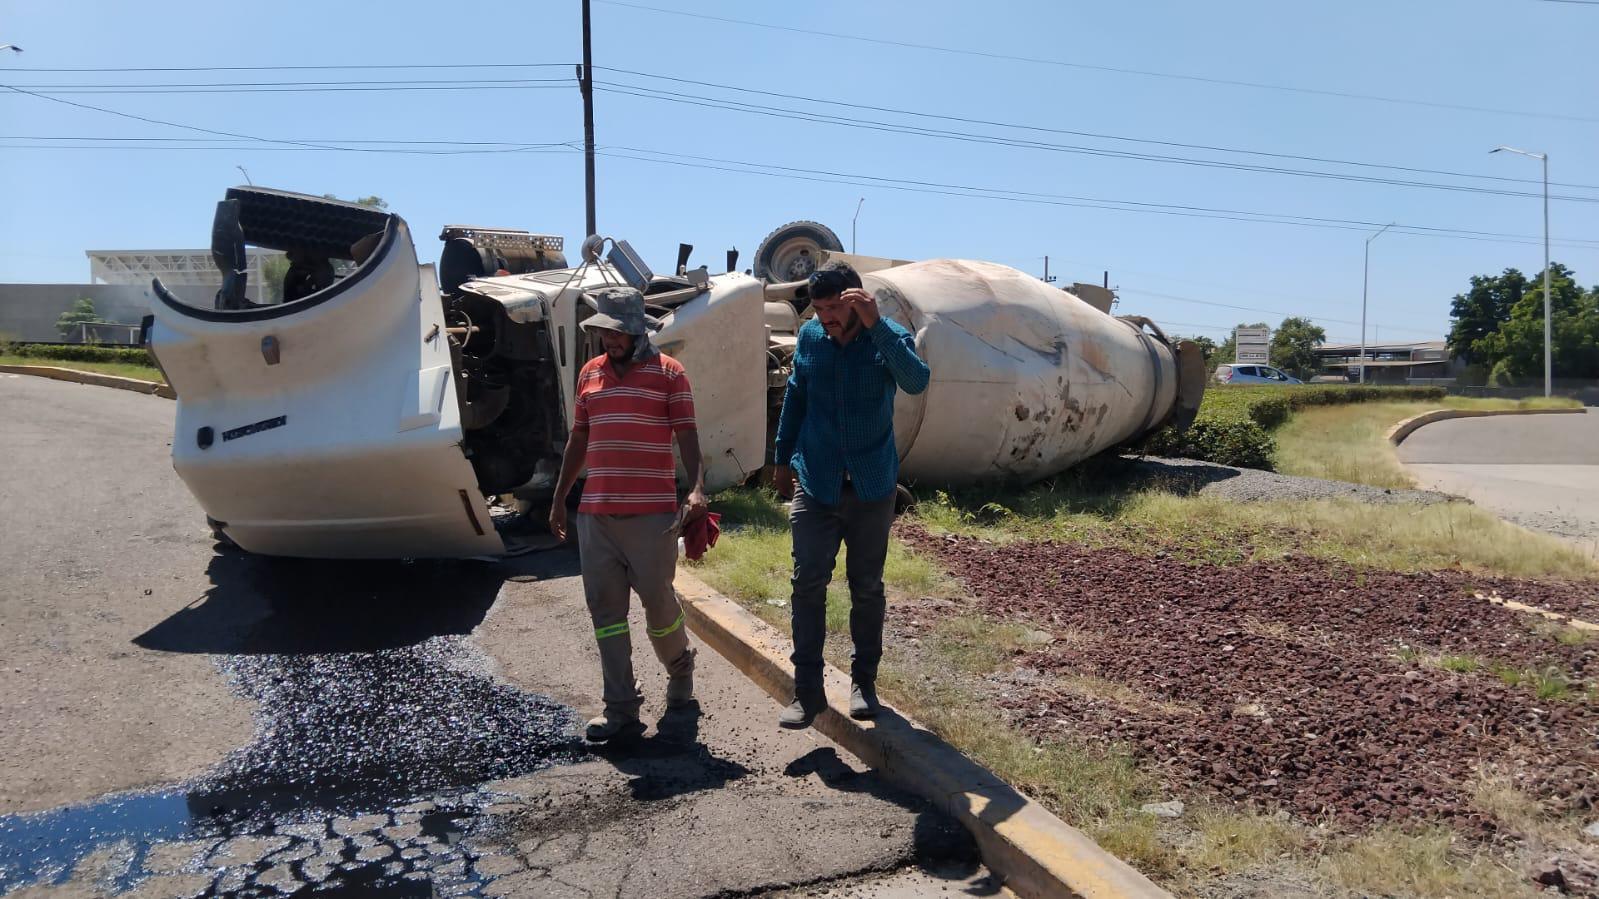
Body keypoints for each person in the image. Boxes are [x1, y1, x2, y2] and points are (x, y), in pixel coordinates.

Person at [771, 261, 930, 728]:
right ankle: (807, 692)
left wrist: (877, 325)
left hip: (871, 486)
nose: (825, 318)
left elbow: (916, 381)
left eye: (833, 309)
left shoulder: (889, 336)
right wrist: (781, 458)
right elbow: (797, 396)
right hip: (816, 482)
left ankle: (864, 682)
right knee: (806, 585)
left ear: (856, 300)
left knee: (866, 588)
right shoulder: (810, 339)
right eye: (818, 309)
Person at [549, 286, 709, 743]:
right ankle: (620, 708)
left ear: (638, 331)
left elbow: (689, 439)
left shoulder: (669, 374)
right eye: (603, 332)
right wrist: (561, 497)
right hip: (596, 515)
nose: (609, 341)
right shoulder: (590, 375)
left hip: (653, 516)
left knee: (660, 608)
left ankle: (680, 679)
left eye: (617, 333)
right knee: (607, 613)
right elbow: (579, 440)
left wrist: (696, 489)